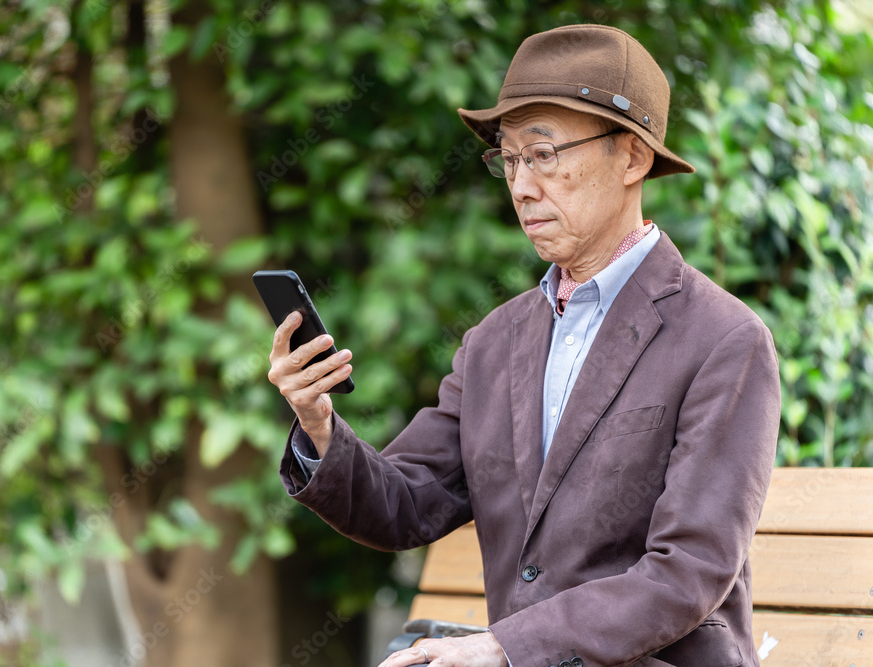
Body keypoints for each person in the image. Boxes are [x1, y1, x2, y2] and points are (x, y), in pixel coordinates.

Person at [266, 24, 780, 667]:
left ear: (633, 158)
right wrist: (319, 425)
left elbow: (687, 575)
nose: (521, 186)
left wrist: (507, 647)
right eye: (508, 159)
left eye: (544, 155)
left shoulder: (724, 341)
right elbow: (404, 505)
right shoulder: (494, 343)